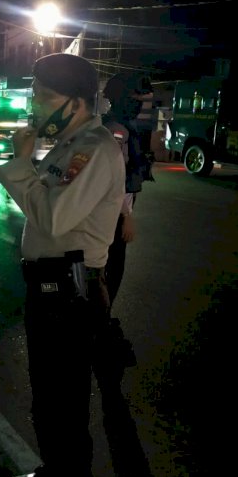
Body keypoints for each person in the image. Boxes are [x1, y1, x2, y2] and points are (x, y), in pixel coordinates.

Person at [0, 53, 125, 477]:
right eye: (35, 96)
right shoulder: (69, 146)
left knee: (62, 399)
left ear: (76, 102)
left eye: (44, 97)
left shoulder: (94, 149)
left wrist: (19, 164)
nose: (35, 106)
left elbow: (52, 217)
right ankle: (57, 474)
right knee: (49, 398)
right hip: (53, 292)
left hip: (69, 296)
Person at [101, 72, 155, 305]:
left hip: (114, 209)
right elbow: (114, 177)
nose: (140, 105)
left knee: (109, 266)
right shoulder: (117, 129)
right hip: (113, 211)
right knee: (112, 267)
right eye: (136, 99)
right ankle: (100, 320)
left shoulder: (122, 125)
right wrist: (127, 215)